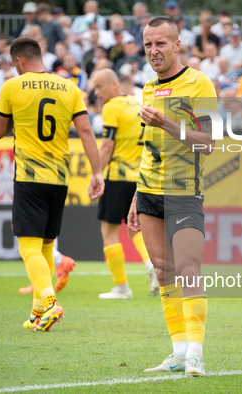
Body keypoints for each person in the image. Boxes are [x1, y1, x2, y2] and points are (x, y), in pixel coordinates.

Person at [0, 37, 104, 331]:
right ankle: (38, 313)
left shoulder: (12, 87)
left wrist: (18, 115)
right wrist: (97, 171)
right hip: (59, 177)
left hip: (30, 176)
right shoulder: (69, 87)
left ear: (18, 61)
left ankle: (51, 303)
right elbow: (86, 131)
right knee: (46, 245)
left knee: (28, 246)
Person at [126, 17, 217, 377]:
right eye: (148, 44)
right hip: (148, 191)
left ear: (177, 45)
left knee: (189, 269)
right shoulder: (148, 87)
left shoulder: (199, 82)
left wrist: (168, 124)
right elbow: (149, 148)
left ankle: (196, 351)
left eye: (161, 43)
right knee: (163, 271)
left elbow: (208, 143)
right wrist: (135, 195)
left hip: (183, 192)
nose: (153, 51)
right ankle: (178, 350)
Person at [90, 69, 159, 299]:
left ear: (113, 84)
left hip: (117, 177)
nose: (96, 93)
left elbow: (107, 145)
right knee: (134, 228)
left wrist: (96, 173)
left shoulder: (112, 107)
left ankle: (122, 288)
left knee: (108, 232)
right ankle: (151, 264)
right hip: (139, 178)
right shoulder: (136, 104)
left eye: (99, 87)